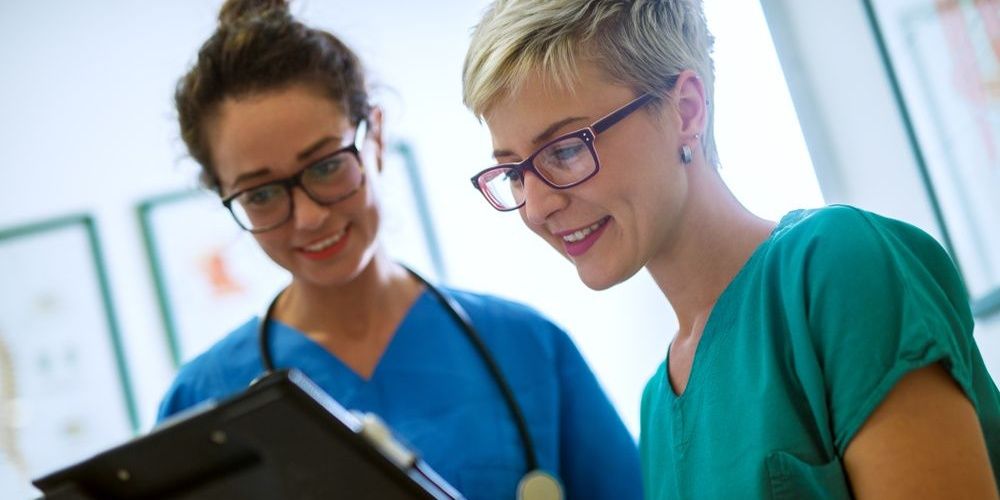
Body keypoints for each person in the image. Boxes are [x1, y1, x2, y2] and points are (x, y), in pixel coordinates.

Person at [461, 0, 1000, 498]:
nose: (536, 208)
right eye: (513, 173)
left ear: (687, 111)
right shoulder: (659, 401)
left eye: (566, 149)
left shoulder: (835, 267)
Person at [156, 1, 644, 498]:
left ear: (378, 138)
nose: (308, 217)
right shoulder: (202, 401)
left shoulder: (526, 346)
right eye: (261, 195)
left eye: (326, 166)